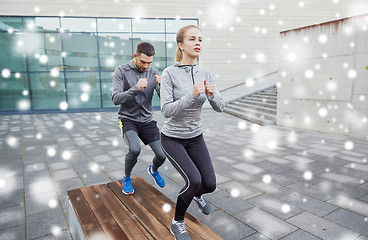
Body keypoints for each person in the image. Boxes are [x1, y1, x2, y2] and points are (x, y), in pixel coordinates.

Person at [160, 25, 225, 240]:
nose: (198, 43)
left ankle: (197, 196)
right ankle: (177, 222)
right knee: (194, 180)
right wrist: (190, 96)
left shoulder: (205, 73)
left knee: (210, 184)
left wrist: (213, 95)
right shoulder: (169, 73)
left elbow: (220, 107)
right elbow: (166, 111)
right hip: (172, 139)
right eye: (192, 39)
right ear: (181, 45)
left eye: (200, 39)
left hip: (196, 137)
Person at [112, 42, 166, 195]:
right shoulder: (121, 71)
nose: (146, 66)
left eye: (149, 62)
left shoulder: (154, 72)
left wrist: (163, 87)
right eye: (143, 62)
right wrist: (136, 88)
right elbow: (116, 98)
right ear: (135, 56)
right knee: (135, 149)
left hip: (147, 120)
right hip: (128, 119)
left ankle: (153, 170)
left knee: (162, 154)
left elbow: (164, 100)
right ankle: (127, 177)